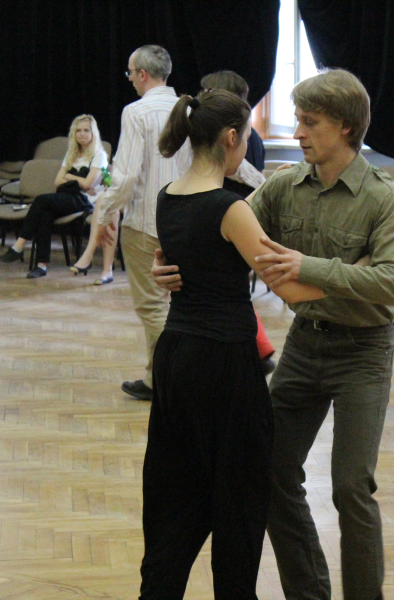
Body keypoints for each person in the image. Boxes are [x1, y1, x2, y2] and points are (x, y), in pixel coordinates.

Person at [154, 68, 394, 600]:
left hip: (363, 351)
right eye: (297, 120)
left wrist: (309, 267)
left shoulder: (383, 197)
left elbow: (393, 283)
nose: (297, 133)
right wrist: (172, 262)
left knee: (351, 487)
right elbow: (218, 228)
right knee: (269, 472)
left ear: (345, 127)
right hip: (305, 345)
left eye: (309, 122)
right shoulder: (283, 187)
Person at [139, 88, 324, 599]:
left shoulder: (168, 196)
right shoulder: (229, 208)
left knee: (175, 490)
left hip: (176, 354)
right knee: (239, 496)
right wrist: (363, 281)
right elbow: (289, 288)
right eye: (246, 137)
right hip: (223, 362)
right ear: (230, 138)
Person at [93, 45, 192, 401]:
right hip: (187, 222)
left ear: (143, 75)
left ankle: (165, 380)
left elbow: (125, 175)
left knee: (153, 306)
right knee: (182, 305)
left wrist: (105, 215)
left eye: (131, 73)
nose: (130, 79)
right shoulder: (189, 109)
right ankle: (168, 375)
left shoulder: (135, 112)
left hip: (146, 223)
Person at [199, 69, 276, 374]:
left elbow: (253, 180)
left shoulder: (244, 138)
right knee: (230, 294)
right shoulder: (244, 136)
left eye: (208, 93)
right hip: (233, 221)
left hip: (232, 223)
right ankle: (257, 352)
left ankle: (255, 353)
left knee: (228, 296)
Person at [0, 114, 107, 278]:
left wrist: (68, 176)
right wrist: (76, 181)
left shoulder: (99, 155)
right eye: (78, 130)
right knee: (44, 214)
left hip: (84, 200)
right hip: (66, 195)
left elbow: (87, 184)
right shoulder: (71, 154)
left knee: (40, 200)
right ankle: (41, 266)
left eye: (86, 130)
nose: (82, 134)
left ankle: (19, 245)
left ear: (93, 133)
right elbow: (57, 182)